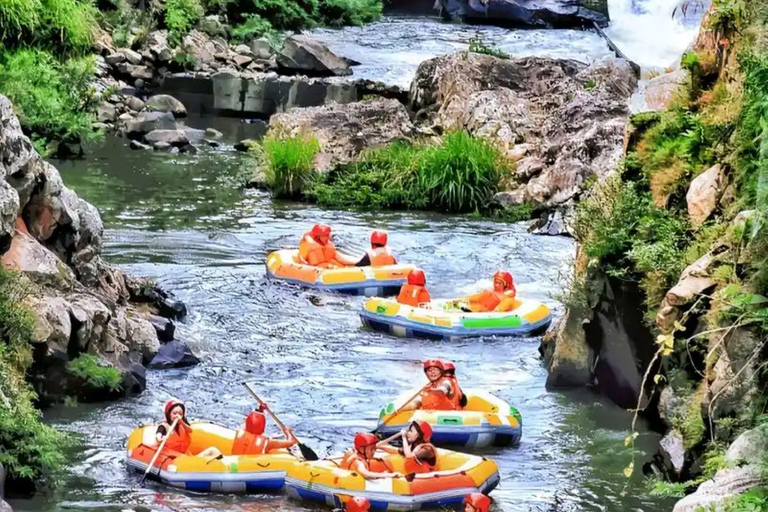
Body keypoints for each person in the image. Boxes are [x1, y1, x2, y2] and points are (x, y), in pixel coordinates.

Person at [156, 399, 221, 458]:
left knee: (213, 451)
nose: (177, 416)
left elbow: (190, 430)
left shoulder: (183, 423)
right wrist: (161, 439)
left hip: (184, 454)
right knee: (212, 451)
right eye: (174, 413)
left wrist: (181, 422)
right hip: (173, 456)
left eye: (180, 414)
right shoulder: (164, 426)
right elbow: (158, 436)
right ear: (169, 414)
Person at [231, 405, 299, 455]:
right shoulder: (267, 443)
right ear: (262, 428)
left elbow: (250, 422)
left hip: (235, 467)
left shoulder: (240, 433)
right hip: (252, 469)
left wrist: (260, 409)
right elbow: (292, 442)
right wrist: (288, 432)